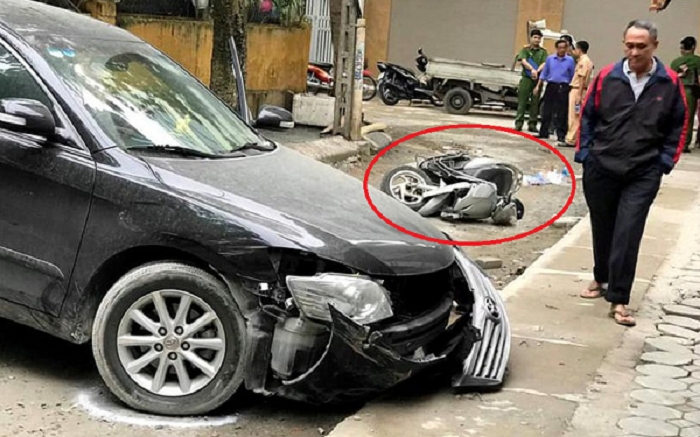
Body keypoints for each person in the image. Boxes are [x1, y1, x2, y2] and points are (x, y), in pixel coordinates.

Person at [576, 19, 688, 327]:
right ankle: (601, 278)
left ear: (655, 46)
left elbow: (679, 125)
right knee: (602, 226)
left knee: (628, 231)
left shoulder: (669, 82)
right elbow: (588, 116)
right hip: (602, 166)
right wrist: (585, 154)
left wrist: (664, 162)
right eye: (629, 45)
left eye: (641, 46)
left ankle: (619, 298)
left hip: (643, 170)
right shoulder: (607, 76)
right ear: (623, 44)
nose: (634, 52)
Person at [535, 40, 575, 143]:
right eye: (560, 48)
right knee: (547, 110)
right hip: (551, 85)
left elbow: (572, 75)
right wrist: (538, 86)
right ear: (556, 48)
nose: (562, 50)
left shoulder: (570, 60)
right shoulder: (550, 59)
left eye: (564, 48)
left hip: (563, 86)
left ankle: (561, 134)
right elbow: (544, 73)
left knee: (562, 112)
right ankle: (543, 132)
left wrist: (570, 87)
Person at [515, 29, 548, 133]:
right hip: (526, 79)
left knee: (535, 103)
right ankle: (518, 123)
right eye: (535, 37)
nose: (537, 40)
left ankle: (532, 124)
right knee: (522, 102)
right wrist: (532, 69)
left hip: (537, 80)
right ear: (531, 38)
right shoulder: (525, 50)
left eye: (539, 38)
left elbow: (544, 63)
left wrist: (537, 71)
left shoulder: (543, 52)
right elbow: (523, 61)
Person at [670, 36, 700, 153]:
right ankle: (684, 144)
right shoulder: (697, 61)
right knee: (688, 118)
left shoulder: (675, 62)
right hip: (690, 91)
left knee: (676, 117)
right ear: (693, 47)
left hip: (677, 91)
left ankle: (674, 141)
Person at [564, 41, 594, 147]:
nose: (574, 51)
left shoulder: (584, 61)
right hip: (578, 90)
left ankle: (571, 139)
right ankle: (572, 138)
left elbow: (582, 78)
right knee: (575, 115)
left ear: (579, 49)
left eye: (575, 49)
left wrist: (579, 94)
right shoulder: (584, 60)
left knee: (574, 116)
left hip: (578, 89)